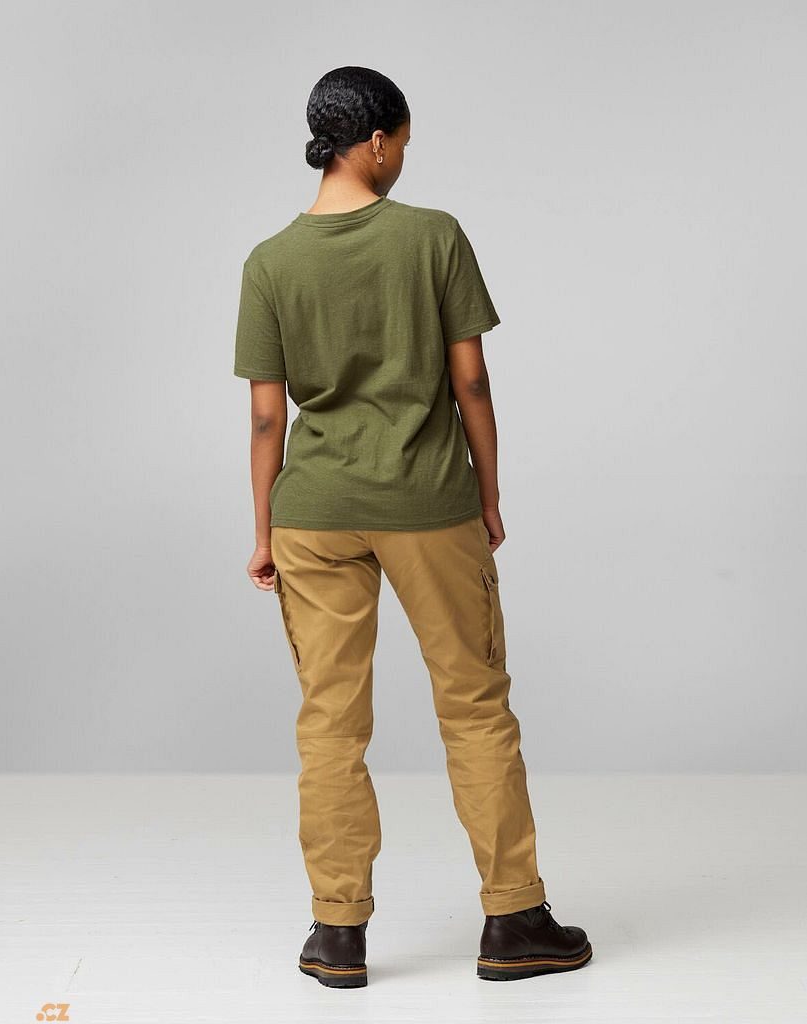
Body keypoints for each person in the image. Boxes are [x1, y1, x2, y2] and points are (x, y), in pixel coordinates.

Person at [233, 65, 592, 987]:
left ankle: (336, 933)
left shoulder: (270, 261)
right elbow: (471, 380)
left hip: (313, 515)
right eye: (401, 141)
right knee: (474, 706)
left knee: (330, 723)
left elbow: (268, 419)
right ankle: (515, 919)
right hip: (428, 502)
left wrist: (264, 532)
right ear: (377, 141)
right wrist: (489, 493)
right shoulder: (433, 236)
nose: (402, 157)